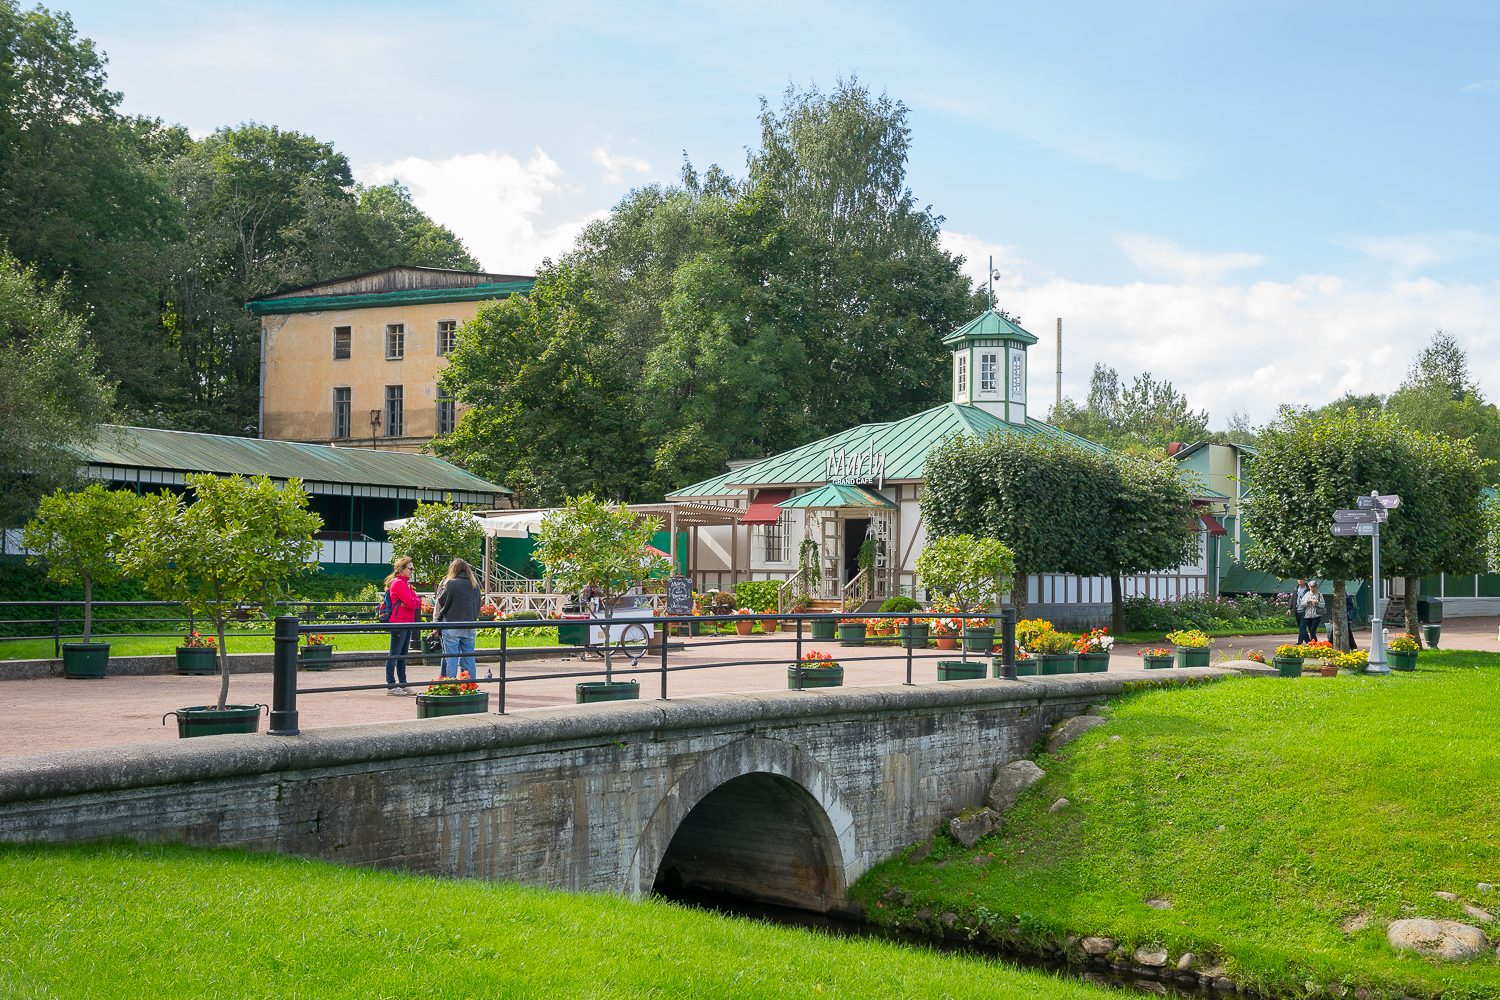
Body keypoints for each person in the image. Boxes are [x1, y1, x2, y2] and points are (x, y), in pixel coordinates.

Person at [435, 557, 481, 680]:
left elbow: (442, 602)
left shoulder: (450, 583)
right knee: (469, 658)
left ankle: (450, 685)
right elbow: (478, 605)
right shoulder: (474, 585)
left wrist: (438, 620)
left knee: (452, 659)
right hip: (469, 625)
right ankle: (470, 685)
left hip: (452, 624)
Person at [383, 556, 422, 695]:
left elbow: (417, 602)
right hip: (399, 622)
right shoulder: (399, 583)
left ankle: (403, 684)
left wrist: (412, 602)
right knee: (394, 653)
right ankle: (391, 686)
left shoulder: (406, 584)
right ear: (401, 569)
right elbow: (413, 603)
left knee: (402, 654)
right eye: (410, 568)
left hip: (406, 622)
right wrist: (411, 602)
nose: (412, 571)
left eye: (412, 569)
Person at [1293, 579, 1310, 644]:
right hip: (1297, 611)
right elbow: (1293, 599)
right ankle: (1308, 642)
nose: (1300, 580)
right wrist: (1289, 608)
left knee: (1302, 627)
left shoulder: (1308, 589)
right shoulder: (1296, 589)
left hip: (1305, 611)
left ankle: (1299, 643)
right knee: (1301, 628)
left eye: (1302, 579)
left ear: (1305, 580)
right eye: (1299, 579)